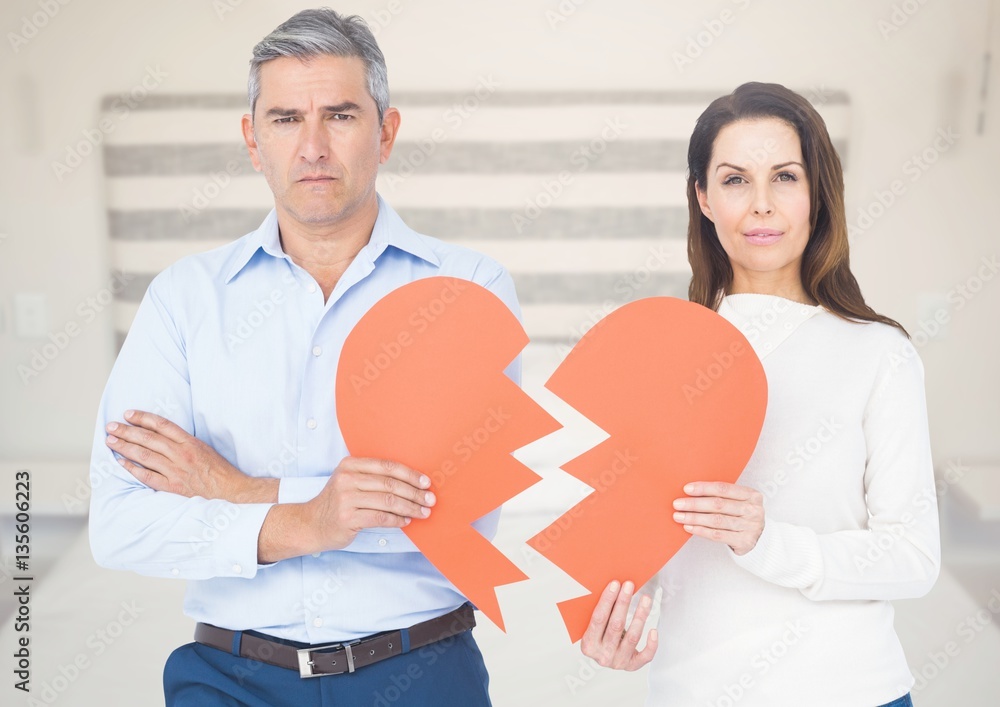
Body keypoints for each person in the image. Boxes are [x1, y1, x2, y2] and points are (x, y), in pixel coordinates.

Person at [88, 8, 514, 706]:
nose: (312, 145)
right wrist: (313, 515)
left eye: (340, 115)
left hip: (417, 671)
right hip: (228, 677)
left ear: (387, 132)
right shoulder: (185, 299)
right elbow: (120, 524)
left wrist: (233, 487)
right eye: (286, 119)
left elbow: (456, 522)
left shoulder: (467, 290)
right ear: (253, 140)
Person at [580, 82, 940, 707]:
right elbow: (642, 545)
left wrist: (767, 541)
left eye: (786, 177)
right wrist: (617, 619)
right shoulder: (658, 357)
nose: (763, 205)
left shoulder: (879, 354)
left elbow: (913, 557)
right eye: (736, 180)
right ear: (704, 197)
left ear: (817, 194)